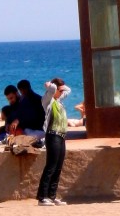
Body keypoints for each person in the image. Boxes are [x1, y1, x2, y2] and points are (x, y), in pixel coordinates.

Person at [37, 77, 71, 206]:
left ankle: (52, 196)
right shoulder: (48, 100)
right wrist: (51, 85)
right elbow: (51, 89)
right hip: (52, 135)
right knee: (51, 166)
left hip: (61, 136)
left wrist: (60, 87)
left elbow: (69, 90)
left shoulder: (59, 100)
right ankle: (42, 197)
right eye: (59, 90)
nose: (62, 92)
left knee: (58, 167)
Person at [0, 84, 23, 148]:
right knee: (0, 130)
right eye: (8, 99)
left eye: (11, 98)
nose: (10, 101)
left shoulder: (23, 103)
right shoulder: (13, 104)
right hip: (10, 131)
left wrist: (18, 120)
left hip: (18, 132)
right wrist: (7, 124)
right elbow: (9, 118)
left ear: (17, 93)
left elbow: (28, 116)